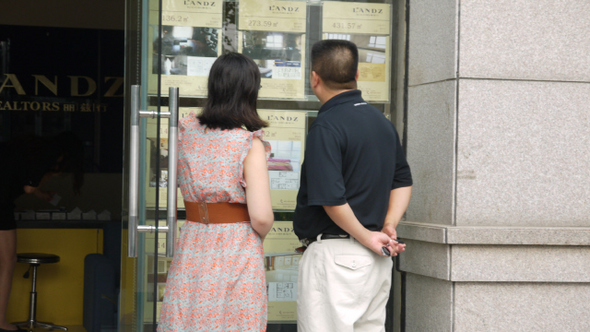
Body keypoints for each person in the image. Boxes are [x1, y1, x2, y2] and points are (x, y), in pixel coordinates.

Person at [293, 39, 413, 331]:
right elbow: (403, 181)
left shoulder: (327, 125)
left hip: (338, 257)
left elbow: (331, 198)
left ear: (314, 77)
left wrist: (366, 236)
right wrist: (388, 225)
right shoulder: (382, 122)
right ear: (356, 75)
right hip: (376, 260)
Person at [157, 52, 274, 331]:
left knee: (189, 317)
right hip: (235, 245)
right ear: (250, 91)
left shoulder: (186, 132)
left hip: (194, 240)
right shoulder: (248, 144)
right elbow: (261, 217)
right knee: (233, 320)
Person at [0, 132, 84, 332]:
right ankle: (0, 322)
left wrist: (42, 194)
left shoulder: (26, 146)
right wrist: (50, 175)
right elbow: (29, 187)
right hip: (0, 203)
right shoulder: (50, 153)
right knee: (7, 261)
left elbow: (23, 179)